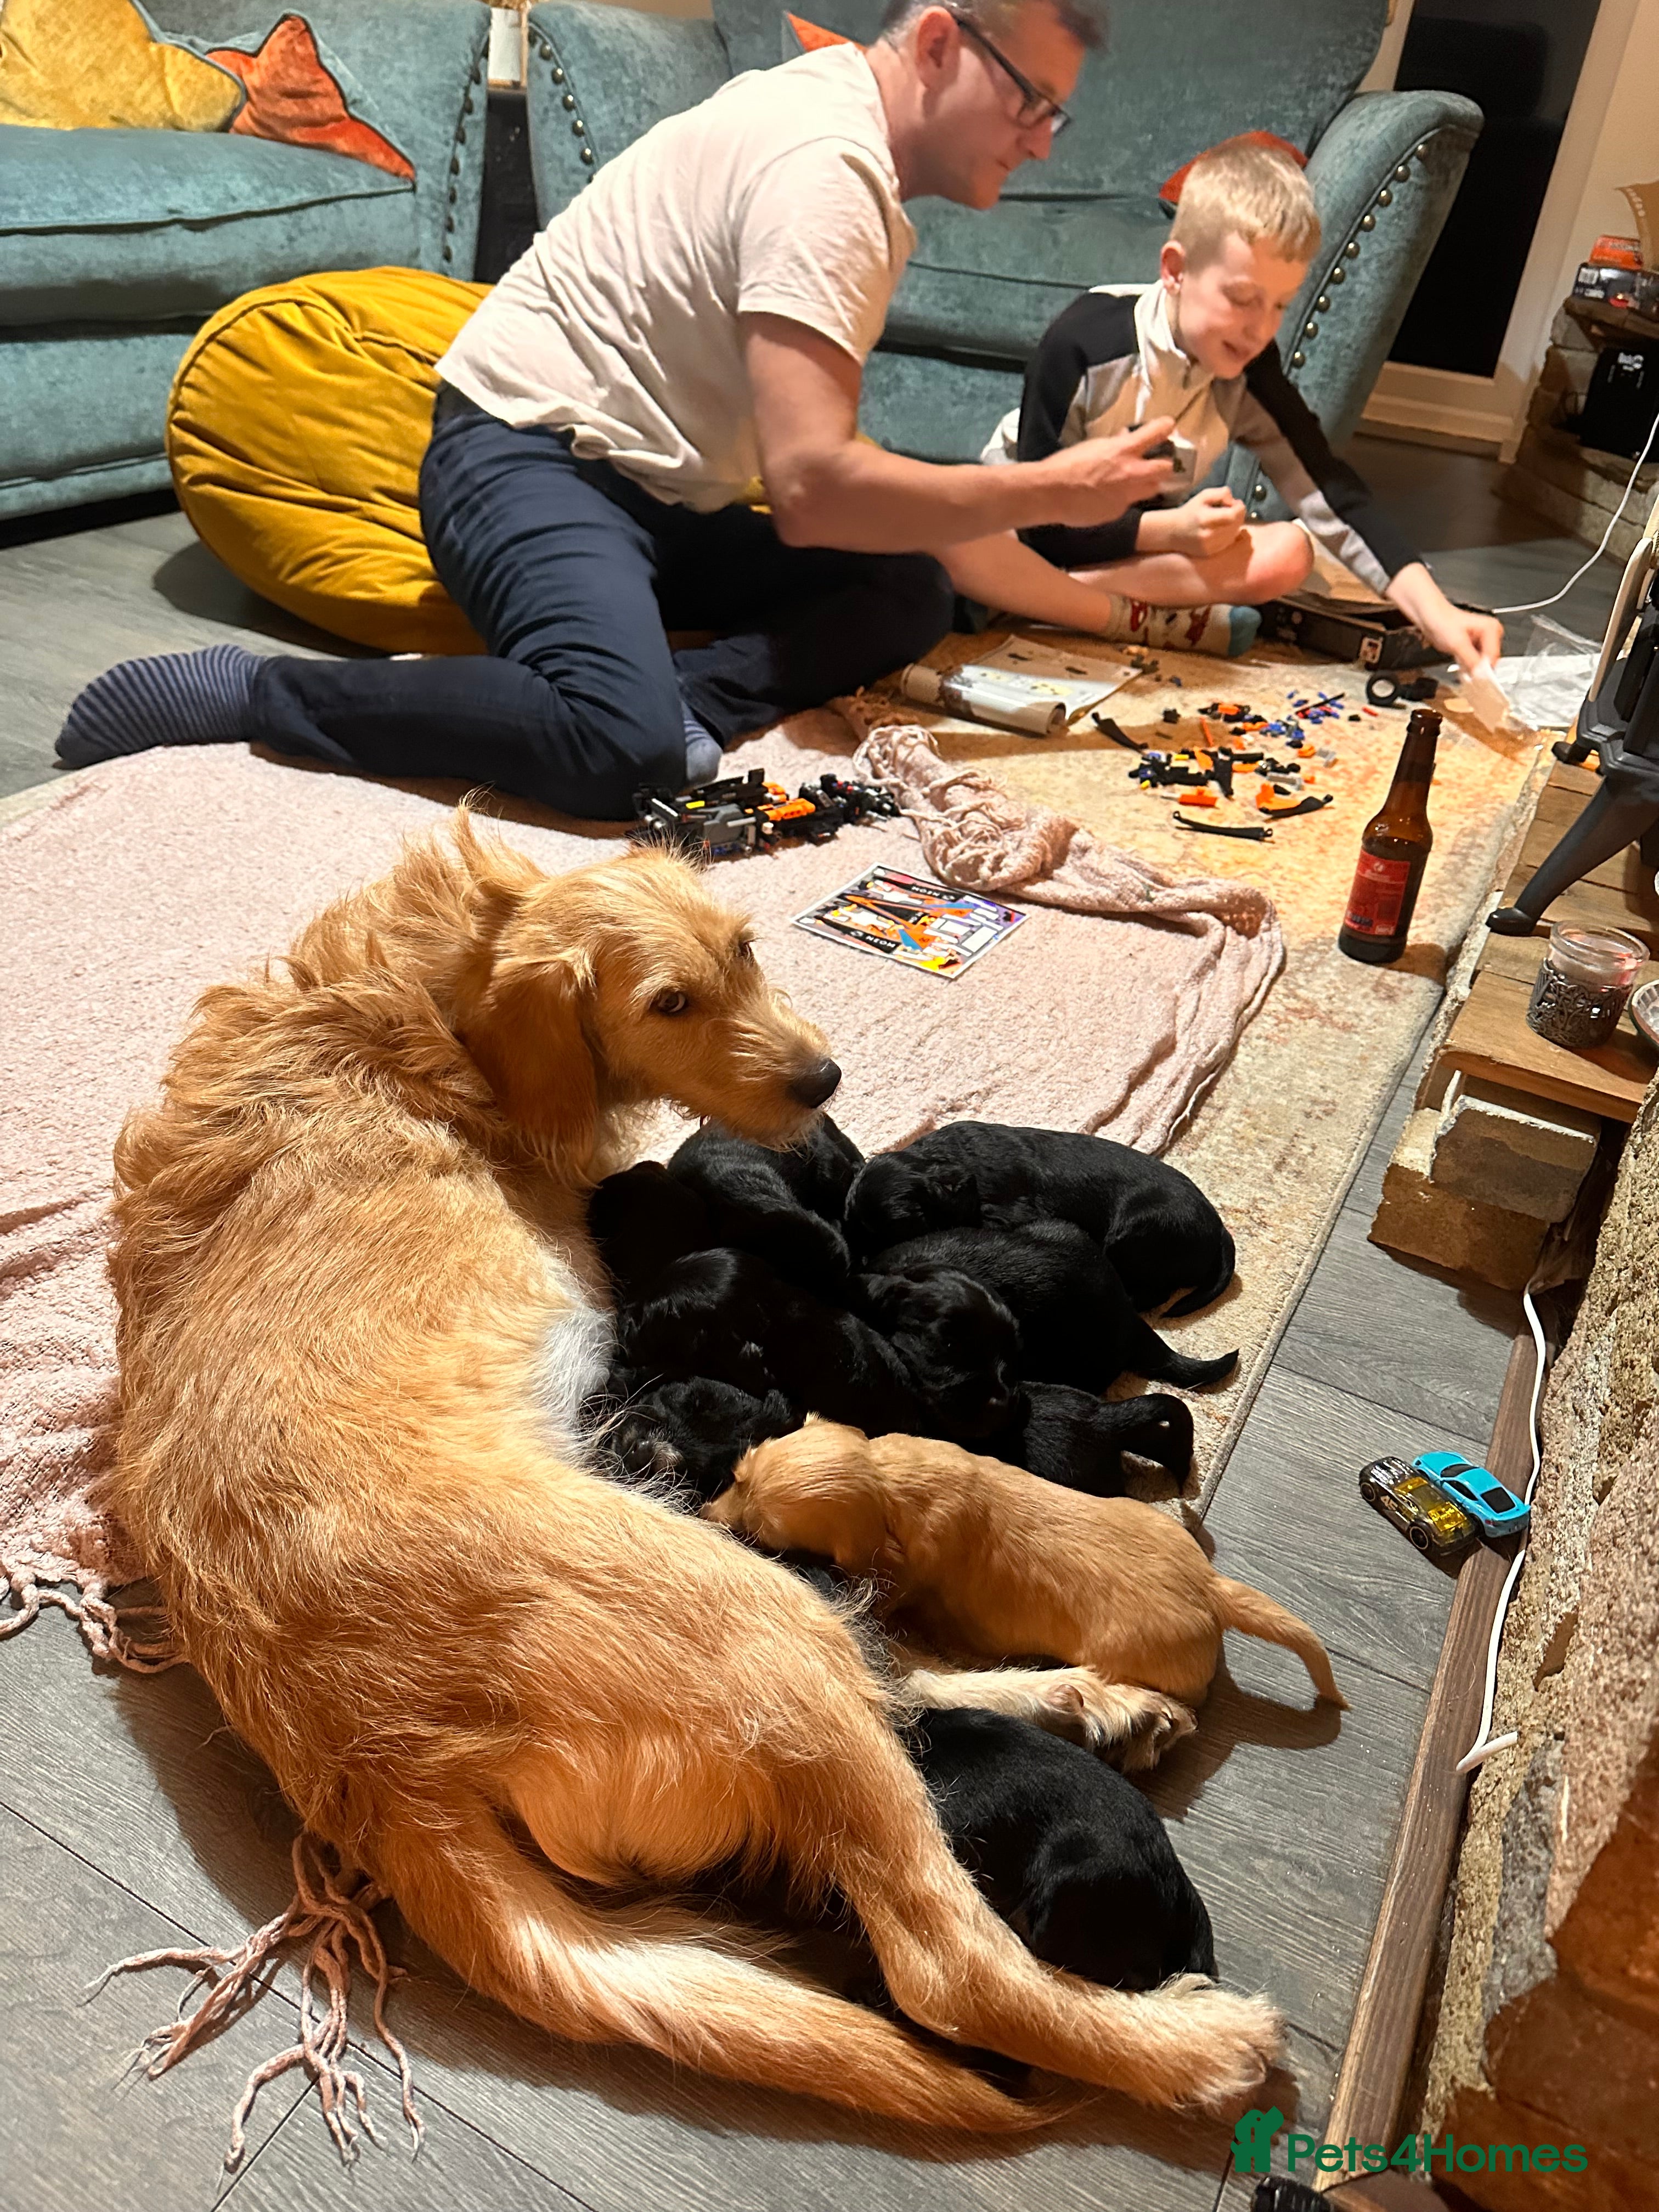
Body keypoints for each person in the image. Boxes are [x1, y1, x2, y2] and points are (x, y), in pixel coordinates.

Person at [56, 0, 1181, 821]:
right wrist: (1054, 486)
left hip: (648, 489)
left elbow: (858, 505)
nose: (1041, 136)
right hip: (520, 460)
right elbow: (814, 487)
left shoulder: (839, 144)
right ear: (939, 42)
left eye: (1057, 116)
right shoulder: (827, 172)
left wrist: (1109, 602)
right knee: (616, 751)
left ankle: (667, 695)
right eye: (1032, 98)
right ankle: (266, 694)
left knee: (906, 584)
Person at [939, 136, 1504, 669]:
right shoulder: (1081, 345)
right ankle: (1114, 614)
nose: (1260, 329)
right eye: (1241, 299)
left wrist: (1438, 613)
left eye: (1280, 306)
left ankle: (1037, 602)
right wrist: (1169, 535)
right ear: (1176, 270)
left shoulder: (1248, 367)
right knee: (958, 541)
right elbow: (1045, 525)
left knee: (1289, 552)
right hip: (1035, 526)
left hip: (1121, 546)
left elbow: (1328, 489)